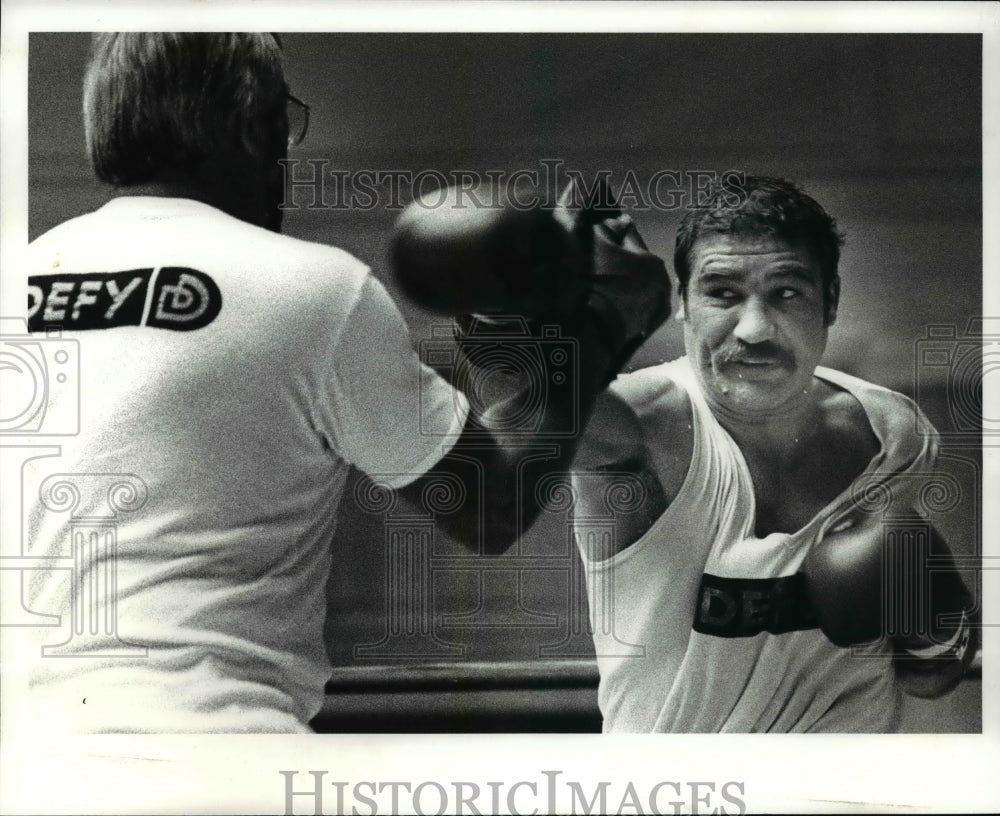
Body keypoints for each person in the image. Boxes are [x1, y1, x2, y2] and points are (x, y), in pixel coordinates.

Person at [22, 33, 667, 733]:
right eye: (283, 122)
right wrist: (599, 323)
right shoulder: (311, 287)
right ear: (248, 121)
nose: (285, 159)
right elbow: (490, 507)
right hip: (214, 748)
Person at [569, 175, 978, 732]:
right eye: (722, 293)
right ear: (683, 304)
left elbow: (931, 677)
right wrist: (548, 314)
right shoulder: (642, 422)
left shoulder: (894, 432)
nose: (755, 328)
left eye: (786, 293)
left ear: (829, 302)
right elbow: (532, 418)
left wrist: (940, 621)